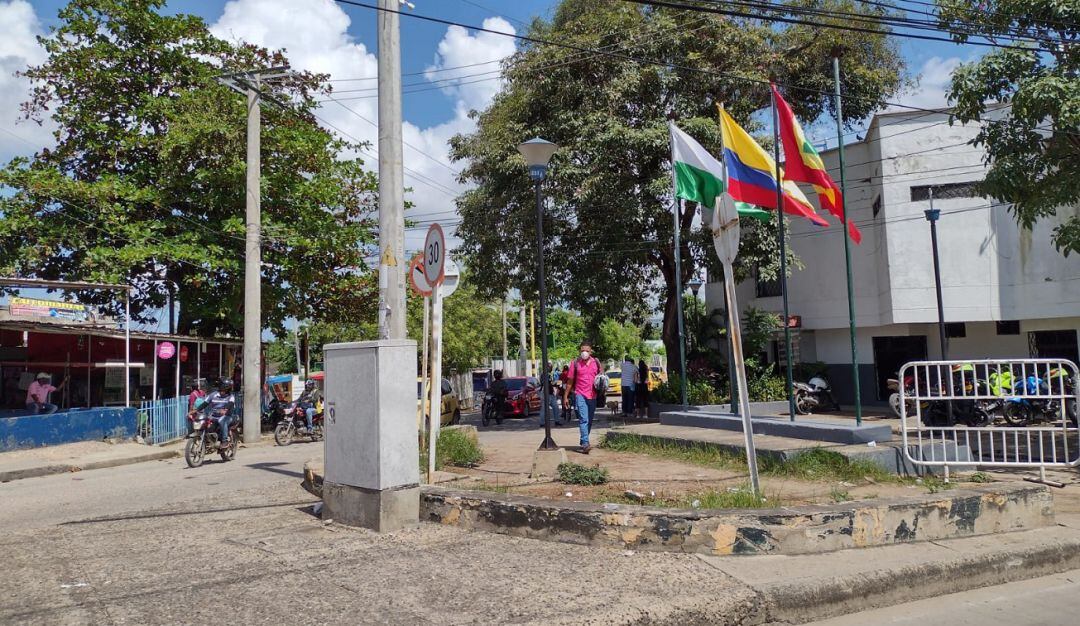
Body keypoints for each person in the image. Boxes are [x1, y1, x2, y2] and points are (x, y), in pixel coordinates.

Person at [563, 341, 601, 453]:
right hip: (580, 394)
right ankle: (585, 443)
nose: (584, 352)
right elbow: (570, 382)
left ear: (591, 351)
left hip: (593, 395)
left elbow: (601, 377)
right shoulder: (575, 363)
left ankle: (583, 439)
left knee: (589, 421)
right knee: (583, 419)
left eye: (587, 351)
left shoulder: (596, 362)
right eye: (582, 350)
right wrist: (565, 396)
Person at [203, 380, 238, 447]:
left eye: (225, 388)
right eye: (222, 387)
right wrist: (196, 410)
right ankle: (209, 440)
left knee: (222, 421)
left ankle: (224, 441)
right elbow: (205, 403)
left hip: (227, 416)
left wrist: (225, 409)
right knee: (205, 422)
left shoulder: (231, 396)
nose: (223, 390)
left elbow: (230, 404)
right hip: (214, 416)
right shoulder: (213, 395)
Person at [538, 361, 562, 428]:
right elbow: (544, 383)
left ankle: (557, 421)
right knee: (544, 409)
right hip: (545, 393)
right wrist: (553, 383)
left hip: (551, 393)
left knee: (556, 407)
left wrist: (554, 384)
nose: (550, 368)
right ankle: (542, 423)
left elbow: (550, 383)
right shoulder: (544, 374)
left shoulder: (549, 374)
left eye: (550, 366)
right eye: (549, 366)